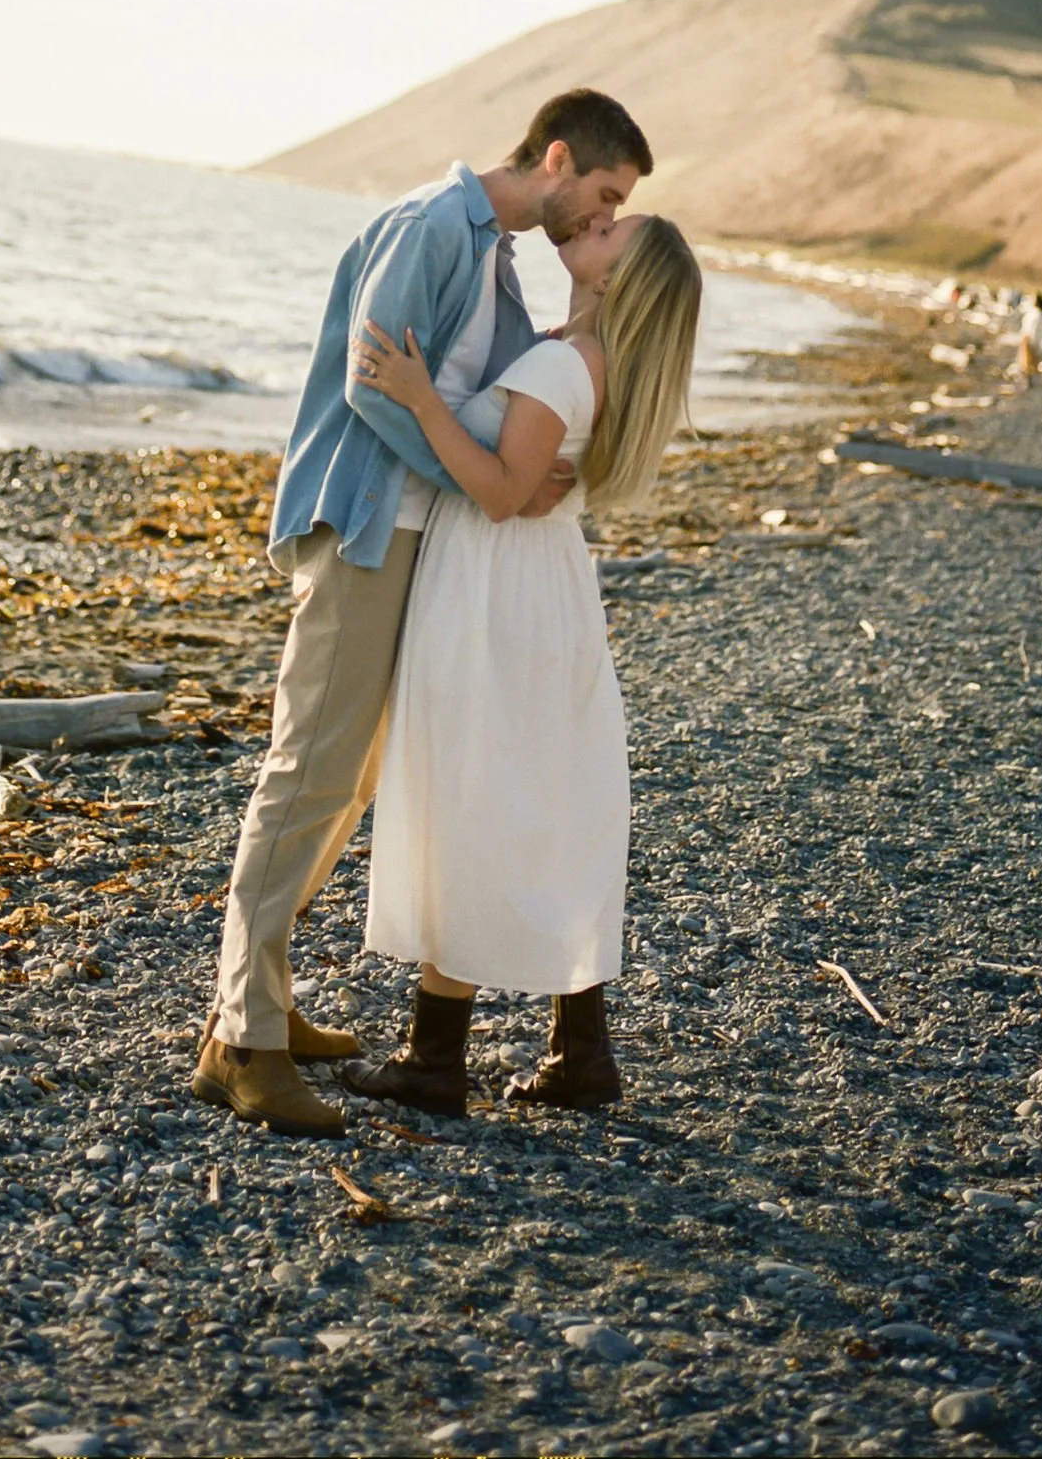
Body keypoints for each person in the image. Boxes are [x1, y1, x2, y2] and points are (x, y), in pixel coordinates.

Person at [192, 87, 653, 1137]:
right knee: (306, 773)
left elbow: (474, 399)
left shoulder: (497, 255)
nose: (597, 217)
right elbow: (369, 386)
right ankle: (241, 1041)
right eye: (602, 193)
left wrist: (515, 454)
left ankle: (259, 1002)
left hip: (411, 540)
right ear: (556, 155)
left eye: (614, 209)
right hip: (363, 524)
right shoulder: (431, 225)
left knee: (347, 777)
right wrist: (472, 479)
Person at [339, 210, 704, 1118]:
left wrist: (422, 398)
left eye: (618, 230)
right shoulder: (585, 361)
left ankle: (434, 1058)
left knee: (473, 792)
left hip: (496, 586)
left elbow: (500, 493)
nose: (600, 222)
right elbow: (526, 476)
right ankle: (582, 1052)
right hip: (546, 590)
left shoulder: (560, 366)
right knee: (548, 798)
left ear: (622, 279)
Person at [1013, 290, 1042, 383]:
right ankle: (1030, 381)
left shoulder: (1035, 314)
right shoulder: (1039, 314)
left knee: (1027, 364)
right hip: (1033, 340)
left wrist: (1027, 341)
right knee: (1031, 363)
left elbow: (1032, 329)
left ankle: (1028, 382)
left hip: (1028, 340)